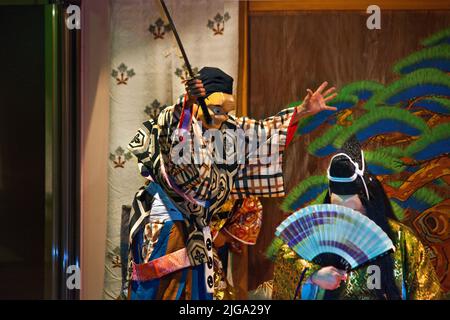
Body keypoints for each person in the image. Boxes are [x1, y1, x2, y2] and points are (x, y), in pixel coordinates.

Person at [127, 66, 337, 299]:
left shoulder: (227, 130)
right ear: (198, 103)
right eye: (215, 108)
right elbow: (175, 132)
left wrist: (302, 111)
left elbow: (266, 131)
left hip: (200, 229)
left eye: (228, 110)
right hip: (166, 218)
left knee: (197, 292)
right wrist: (187, 102)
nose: (222, 116)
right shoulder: (177, 120)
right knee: (160, 287)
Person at [272, 138, 442, 300]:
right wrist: (313, 275)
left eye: (352, 209)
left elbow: (427, 292)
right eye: (338, 207)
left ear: (367, 200)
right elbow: (285, 264)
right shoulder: (313, 235)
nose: (345, 215)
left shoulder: (402, 239)